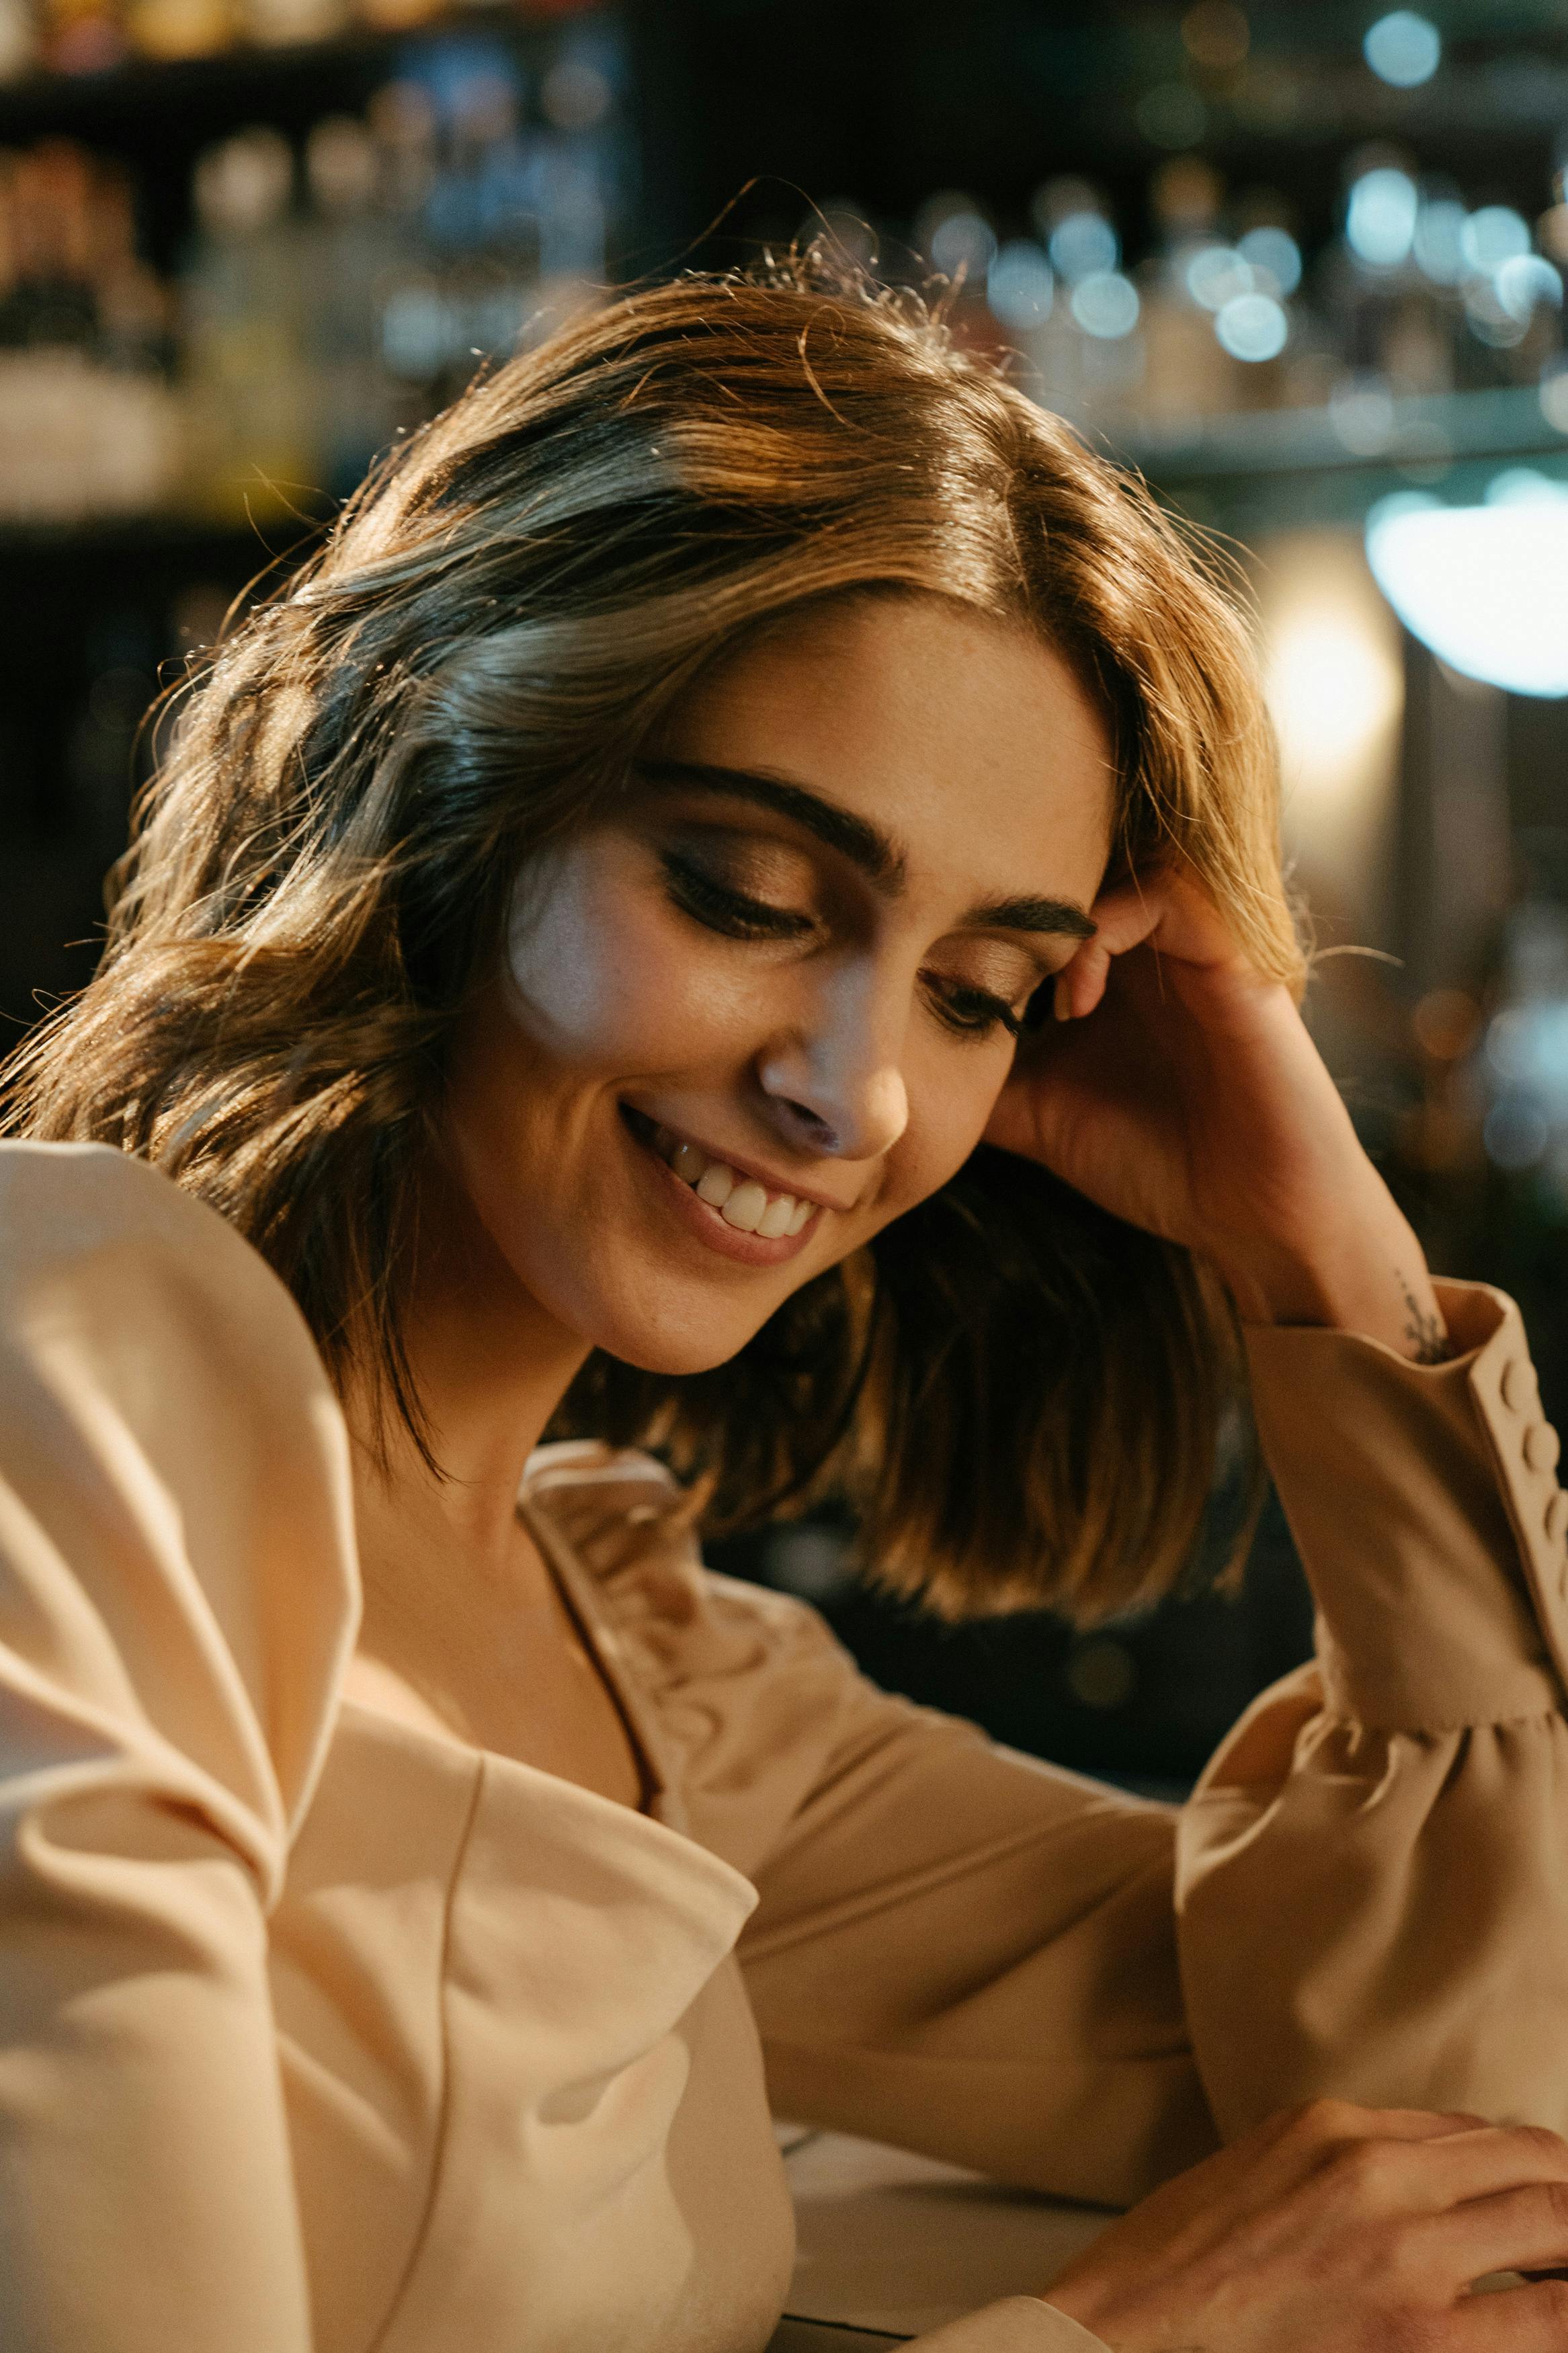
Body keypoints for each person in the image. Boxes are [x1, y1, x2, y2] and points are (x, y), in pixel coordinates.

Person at [3, 254, 1568, 2353]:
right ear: (448, 789)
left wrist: (1330, 1260)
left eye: (980, 991)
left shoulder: (660, 1679)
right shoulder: (71, 1355)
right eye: (746, 894)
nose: (859, 1088)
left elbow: (1467, 2147)